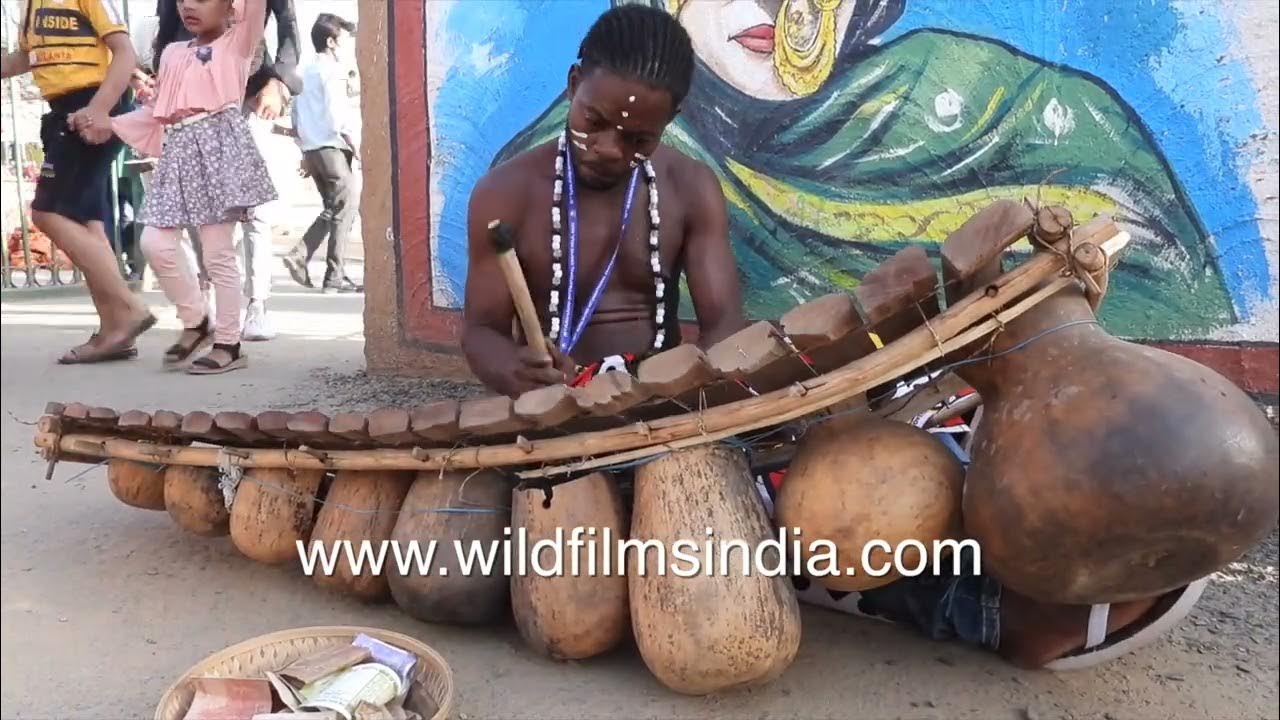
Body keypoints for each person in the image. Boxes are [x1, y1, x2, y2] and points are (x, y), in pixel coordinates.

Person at [462, 3, 1208, 672]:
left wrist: (722, 402)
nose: (607, 147)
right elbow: (481, 334)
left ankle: (1033, 568)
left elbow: (723, 326)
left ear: (672, 120)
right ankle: (996, 618)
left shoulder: (687, 186)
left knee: (828, 482)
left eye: (637, 137)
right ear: (573, 84)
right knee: (730, 532)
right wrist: (517, 373)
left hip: (661, 402)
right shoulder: (507, 193)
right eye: (593, 121)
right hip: (561, 420)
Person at [100, 0, 277, 374]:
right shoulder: (172, 53)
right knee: (154, 242)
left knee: (217, 254)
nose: (188, 6)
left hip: (218, 154)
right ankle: (197, 320)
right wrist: (111, 124)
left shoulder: (238, 43)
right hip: (178, 154)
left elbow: (255, 9)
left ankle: (229, 344)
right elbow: (157, 112)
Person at [133, 0, 303, 340]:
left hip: (251, 91)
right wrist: (162, 83)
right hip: (190, 94)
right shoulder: (178, 40)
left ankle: (257, 303)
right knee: (199, 211)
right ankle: (209, 297)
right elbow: (167, 26)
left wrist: (279, 83)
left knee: (252, 209)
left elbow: (287, 24)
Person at [1, 0, 156, 364]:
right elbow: (24, 59)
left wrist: (99, 108)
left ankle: (128, 310)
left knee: (47, 213)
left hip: (92, 104)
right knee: (87, 222)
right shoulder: (30, 6)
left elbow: (124, 53)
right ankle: (115, 330)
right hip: (65, 109)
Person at [283, 12, 363, 294]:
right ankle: (316, 265)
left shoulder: (305, 72)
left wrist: (304, 150)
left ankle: (335, 274)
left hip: (314, 150)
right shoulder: (331, 70)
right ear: (331, 42)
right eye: (343, 39)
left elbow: (296, 117)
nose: (346, 46)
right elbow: (335, 113)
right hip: (332, 148)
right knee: (345, 206)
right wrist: (353, 142)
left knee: (336, 210)